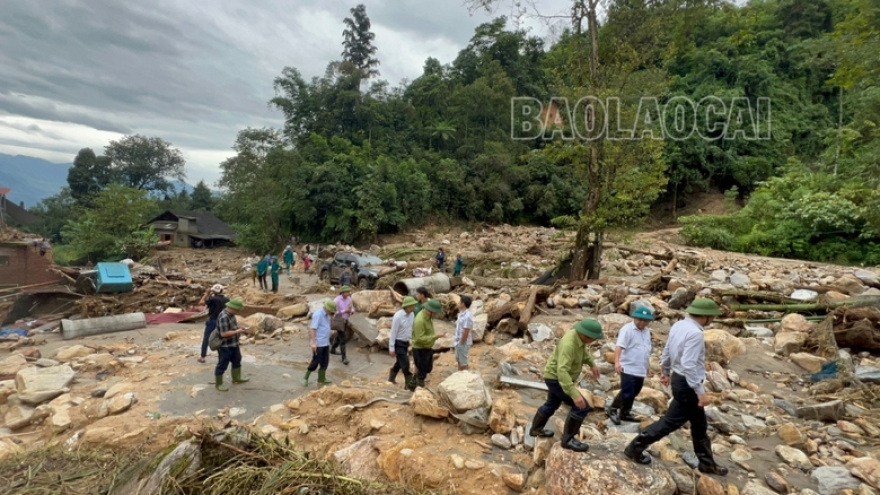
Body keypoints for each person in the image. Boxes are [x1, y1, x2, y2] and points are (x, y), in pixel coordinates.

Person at [623, 298, 728, 476]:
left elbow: (668, 349)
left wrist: (665, 370)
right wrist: (700, 392)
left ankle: (706, 463)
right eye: (712, 317)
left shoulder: (679, 326)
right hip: (687, 383)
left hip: (679, 379)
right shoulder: (695, 334)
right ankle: (635, 447)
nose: (713, 320)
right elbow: (689, 364)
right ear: (705, 317)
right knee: (670, 423)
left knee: (699, 424)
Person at [528, 318, 604, 452]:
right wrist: (574, 394)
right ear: (584, 335)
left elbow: (583, 351)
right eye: (593, 338)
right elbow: (562, 371)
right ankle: (567, 440)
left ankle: (535, 429)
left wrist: (592, 363)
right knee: (581, 406)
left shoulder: (578, 336)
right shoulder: (568, 344)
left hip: (557, 377)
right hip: (556, 379)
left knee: (552, 404)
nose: (594, 341)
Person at [606, 305, 654, 425]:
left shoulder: (647, 332)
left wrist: (647, 367)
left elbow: (646, 350)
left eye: (645, 320)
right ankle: (613, 409)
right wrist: (617, 362)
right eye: (640, 319)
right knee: (627, 392)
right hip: (628, 366)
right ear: (635, 318)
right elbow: (619, 346)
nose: (642, 322)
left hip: (640, 368)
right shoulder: (627, 329)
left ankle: (625, 412)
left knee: (635, 392)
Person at [408, 299, 446, 391]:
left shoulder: (428, 317)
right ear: (430, 311)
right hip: (420, 349)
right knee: (422, 371)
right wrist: (435, 336)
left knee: (427, 367)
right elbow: (419, 338)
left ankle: (412, 384)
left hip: (426, 347)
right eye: (435, 313)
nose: (436, 315)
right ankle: (419, 389)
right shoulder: (420, 321)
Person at [214, 298, 250, 391]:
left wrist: (238, 328)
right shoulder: (224, 317)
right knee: (222, 364)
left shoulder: (231, 315)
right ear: (232, 308)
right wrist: (237, 331)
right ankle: (219, 383)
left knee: (237, 360)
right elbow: (224, 334)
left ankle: (236, 377)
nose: (238, 311)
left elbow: (232, 327)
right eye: (237, 310)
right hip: (225, 346)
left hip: (234, 344)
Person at [303, 300, 337, 386]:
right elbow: (312, 329)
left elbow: (329, 326)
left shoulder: (328, 315)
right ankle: (305, 378)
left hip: (325, 342)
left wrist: (333, 318)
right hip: (318, 342)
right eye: (331, 311)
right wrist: (314, 343)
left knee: (325, 361)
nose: (332, 313)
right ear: (327, 309)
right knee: (316, 361)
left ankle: (321, 378)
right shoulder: (318, 314)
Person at [388, 296, 418, 385]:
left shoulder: (412, 315)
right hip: (398, 343)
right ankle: (408, 385)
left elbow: (411, 328)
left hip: (406, 342)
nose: (414, 307)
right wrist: (391, 348)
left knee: (399, 362)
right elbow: (393, 332)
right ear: (408, 307)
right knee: (405, 363)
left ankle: (391, 378)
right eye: (413, 306)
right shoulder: (398, 316)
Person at [198, 284, 229, 363]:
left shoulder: (212, 299)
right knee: (221, 338)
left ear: (213, 291)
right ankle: (222, 356)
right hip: (223, 321)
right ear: (222, 290)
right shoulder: (227, 299)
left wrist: (207, 294)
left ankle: (203, 357)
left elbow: (201, 302)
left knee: (206, 338)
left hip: (213, 321)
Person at [330, 285, 355, 365]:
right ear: (343, 292)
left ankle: (333, 349)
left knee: (339, 337)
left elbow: (352, 307)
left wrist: (352, 311)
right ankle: (344, 358)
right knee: (343, 339)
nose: (349, 293)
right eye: (347, 292)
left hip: (345, 320)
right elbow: (333, 311)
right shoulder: (337, 300)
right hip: (339, 321)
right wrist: (344, 310)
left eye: (349, 292)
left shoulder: (349, 299)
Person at [454, 295, 474, 371]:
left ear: (463, 304)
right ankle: (459, 375)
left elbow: (466, 330)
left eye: (460, 303)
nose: (458, 304)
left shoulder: (467, 316)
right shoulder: (461, 314)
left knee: (464, 363)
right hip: (458, 341)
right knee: (459, 360)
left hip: (463, 342)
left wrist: (461, 343)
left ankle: (466, 378)